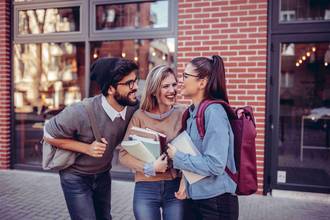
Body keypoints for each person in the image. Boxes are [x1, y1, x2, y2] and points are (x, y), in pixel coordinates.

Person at [43, 57, 139, 220]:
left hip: (102, 175)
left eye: (136, 81)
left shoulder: (132, 107)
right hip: (76, 177)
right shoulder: (79, 112)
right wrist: (86, 148)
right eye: (129, 83)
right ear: (110, 89)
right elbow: (48, 134)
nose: (135, 87)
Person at [167, 55, 239, 220]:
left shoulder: (214, 112)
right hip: (196, 198)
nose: (180, 80)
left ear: (202, 82)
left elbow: (215, 165)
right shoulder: (193, 112)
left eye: (185, 76)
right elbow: (195, 153)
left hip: (216, 203)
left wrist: (177, 157)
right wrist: (185, 182)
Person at [118, 65, 185, 220]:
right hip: (146, 187)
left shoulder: (182, 113)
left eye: (174, 85)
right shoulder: (139, 117)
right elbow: (123, 155)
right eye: (166, 86)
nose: (172, 90)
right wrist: (150, 167)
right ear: (154, 90)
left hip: (174, 186)